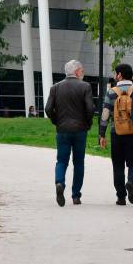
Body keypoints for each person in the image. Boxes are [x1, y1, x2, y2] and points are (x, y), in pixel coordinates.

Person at [45, 60, 94, 207]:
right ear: (77, 71)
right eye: (82, 70)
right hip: (80, 130)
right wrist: (88, 123)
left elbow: (48, 109)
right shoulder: (85, 86)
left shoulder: (55, 87)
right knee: (78, 162)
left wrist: (56, 121)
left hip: (62, 129)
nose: (83, 73)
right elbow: (90, 108)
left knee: (61, 161)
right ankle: (76, 195)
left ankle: (60, 182)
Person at [99, 64, 133, 206]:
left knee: (118, 165)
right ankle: (131, 182)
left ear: (120, 75)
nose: (115, 76)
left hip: (116, 132)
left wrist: (101, 134)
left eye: (116, 73)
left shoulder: (111, 92)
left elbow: (105, 114)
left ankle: (121, 197)